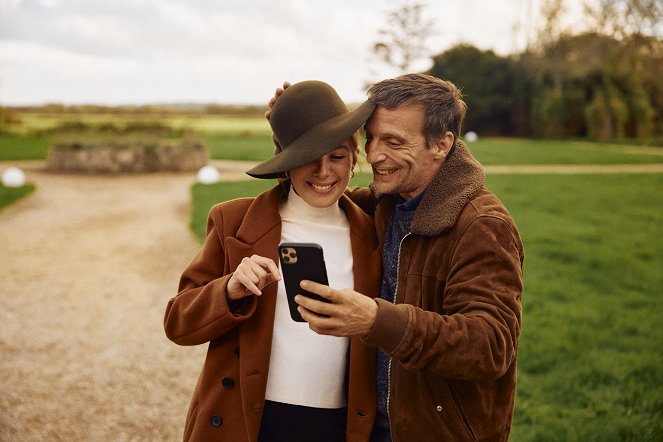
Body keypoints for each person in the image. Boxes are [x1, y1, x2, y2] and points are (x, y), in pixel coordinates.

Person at [269, 73, 524, 441]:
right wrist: (291, 132)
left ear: (441, 144)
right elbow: (316, 190)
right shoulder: (386, 202)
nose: (374, 155)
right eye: (371, 138)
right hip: (370, 426)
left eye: (393, 141)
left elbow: (489, 345)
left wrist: (376, 320)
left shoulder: (482, 225)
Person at [164, 80, 382, 442]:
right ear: (287, 162)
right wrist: (230, 289)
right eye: (308, 157)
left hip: (339, 426)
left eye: (337, 156)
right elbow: (177, 323)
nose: (324, 171)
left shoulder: (375, 230)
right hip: (250, 422)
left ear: (354, 156)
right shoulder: (232, 221)